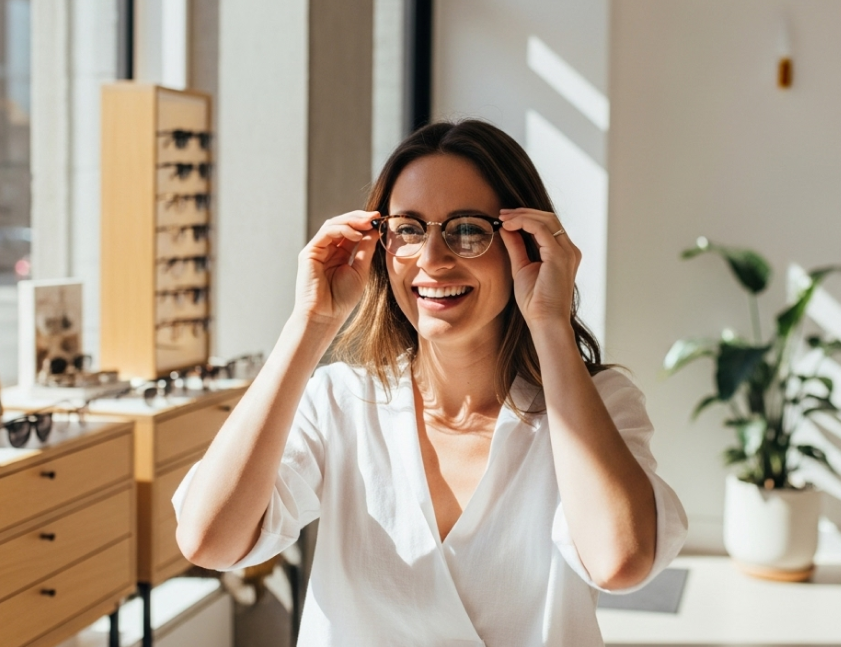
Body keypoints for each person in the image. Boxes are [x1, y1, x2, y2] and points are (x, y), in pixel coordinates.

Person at [172, 119, 688, 646]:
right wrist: (310, 324)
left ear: (526, 245)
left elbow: (619, 562)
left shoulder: (597, 406)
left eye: (466, 229)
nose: (433, 260)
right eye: (409, 229)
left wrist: (549, 320)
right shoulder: (343, 403)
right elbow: (209, 540)